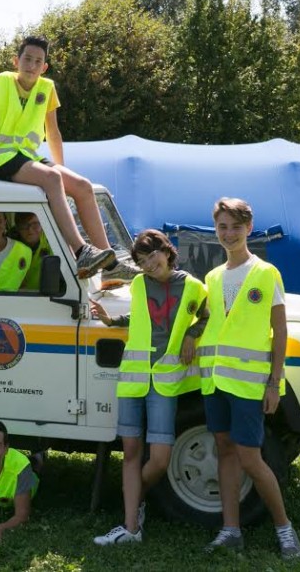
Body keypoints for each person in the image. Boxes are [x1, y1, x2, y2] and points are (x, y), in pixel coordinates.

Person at [89, 230, 208, 544]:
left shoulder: (194, 286)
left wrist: (192, 335)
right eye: (141, 262)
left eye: (151, 256)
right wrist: (112, 321)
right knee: (130, 452)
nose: (148, 264)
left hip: (166, 381)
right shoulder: (139, 284)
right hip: (133, 377)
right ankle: (131, 527)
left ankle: (132, 498)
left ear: (166, 251)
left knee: (160, 458)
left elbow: (208, 315)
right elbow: (140, 316)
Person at [199, 198, 300, 560]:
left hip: (248, 385)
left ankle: (284, 529)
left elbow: (280, 330)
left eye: (235, 227)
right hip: (215, 383)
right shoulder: (212, 278)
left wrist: (275, 383)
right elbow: (208, 324)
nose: (228, 234)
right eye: (222, 227)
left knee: (251, 459)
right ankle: (230, 530)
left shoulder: (265, 273)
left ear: (248, 228)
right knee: (224, 451)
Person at [0, 35, 115, 279]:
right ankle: (81, 252)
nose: (32, 65)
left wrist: (60, 168)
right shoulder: (0, 82)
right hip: (1, 159)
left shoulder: (47, 87)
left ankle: (109, 265)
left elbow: (53, 133)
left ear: (44, 67)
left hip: (28, 156)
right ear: (16, 61)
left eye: (38, 61)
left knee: (82, 186)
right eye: (27, 59)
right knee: (52, 179)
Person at [12, 212, 52, 290]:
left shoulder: (53, 242)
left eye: (35, 224)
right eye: (24, 225)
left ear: (42, 225)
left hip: (45, 299)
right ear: (17, 228)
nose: (30, 229)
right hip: (15, 297)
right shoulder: (7, 245)